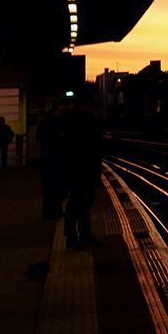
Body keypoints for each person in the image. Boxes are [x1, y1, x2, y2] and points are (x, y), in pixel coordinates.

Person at [60, 104, 102, 249]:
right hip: (86, 173)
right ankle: (82, 235)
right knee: (83, 205)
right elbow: (96, 151)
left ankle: (73, 236)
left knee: (75, 205)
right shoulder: (90, 128)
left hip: (74, 174)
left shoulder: (68, 132)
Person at [36, 105, 65, 218]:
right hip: (55, 158)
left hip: (47, 158)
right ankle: (55, 211)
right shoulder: (58, 123)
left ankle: (48, 212)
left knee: (48, 187)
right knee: (56, 187)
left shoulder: (44, 122)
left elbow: (38, 137)